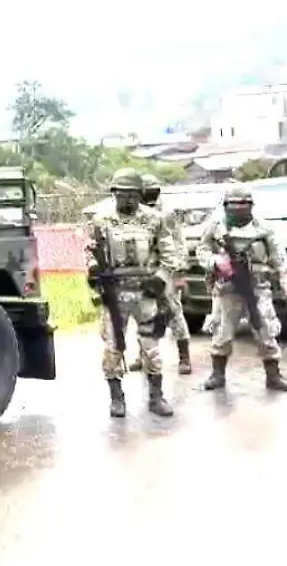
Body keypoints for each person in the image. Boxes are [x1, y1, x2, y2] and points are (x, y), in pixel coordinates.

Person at [85, 168, 182, 418]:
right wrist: (94, 269)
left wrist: (160, 279)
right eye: (121, 194)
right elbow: (90, 253)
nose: (127, 199)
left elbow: (169, 256)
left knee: (151, 347)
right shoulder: (101, 221)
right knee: (113, 347)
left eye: (132, 194)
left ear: (140, 194)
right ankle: (117, 399)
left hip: (145, 293)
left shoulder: (154, 220)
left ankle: (156, 397)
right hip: (115, 294)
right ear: (114, 193)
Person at [195, 185, 287, 392]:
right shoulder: (216, 226)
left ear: (251, 206)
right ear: (226, 206)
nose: (238, 209)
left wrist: (286, 279)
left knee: (264, 328)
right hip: (227, 287)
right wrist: (216, 262)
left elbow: (279, 256)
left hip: (257, 286)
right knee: (222, 331)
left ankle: (273, 375)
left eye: (243, 205)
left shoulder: (263, 228)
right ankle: (217, 374)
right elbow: (202, 250)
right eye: (234, 205)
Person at [127, 173, 193, 375]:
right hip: (143, 269)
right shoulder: (134, 212)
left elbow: (179, 242)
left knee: (173, 311)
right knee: (143, 312)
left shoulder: (167, 213)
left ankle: (184, 357)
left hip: (165, 268)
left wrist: (179, 272)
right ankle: (143, 355)